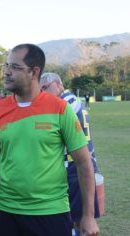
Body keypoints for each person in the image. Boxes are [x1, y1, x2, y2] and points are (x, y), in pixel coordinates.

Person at [0, 44, 99, 236]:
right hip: (7, 212)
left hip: (51, 213)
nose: (7, 72)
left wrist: (88, 215)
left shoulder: (60, 109)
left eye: (15, 67)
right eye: (6, 66)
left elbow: (84, 163)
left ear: (34, 72)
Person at [40, 72, 101, 235]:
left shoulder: (64, 103)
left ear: (58, 84)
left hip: (76, 167)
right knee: (73, 219)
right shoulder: (72, 101)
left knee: (79, 221)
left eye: (45, 88)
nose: (43, 92)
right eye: (40, 90)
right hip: (75, 166)